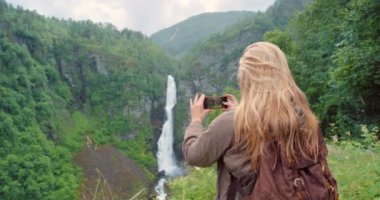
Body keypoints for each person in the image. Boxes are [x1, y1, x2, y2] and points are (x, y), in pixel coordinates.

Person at [182, 42, 336, 200]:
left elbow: (195, 156)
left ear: (245, 78)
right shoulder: (304, 117)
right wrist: (240, 110)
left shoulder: (231, 123)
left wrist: (195, 120)